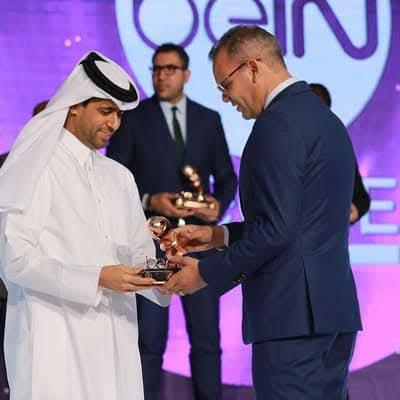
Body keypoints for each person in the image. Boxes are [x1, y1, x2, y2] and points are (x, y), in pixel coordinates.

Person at [162, 26, 362, 400]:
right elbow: (299, 221)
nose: (225, 98)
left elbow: (276, 230)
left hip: (291, 318)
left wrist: (204, 272)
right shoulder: (326, 120)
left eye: (226, 85)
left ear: (253, 68)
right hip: (334, 312)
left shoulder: (275, 125)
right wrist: (218, 235)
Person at [0, 51, 169, 400]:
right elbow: (14, 261)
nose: (114, 124)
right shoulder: (35, 167)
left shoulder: (119, 177)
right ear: (75, 105)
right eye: (106, 111)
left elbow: (138, 256)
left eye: (119, 115)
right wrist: (96, 278)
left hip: (115, 341)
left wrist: (168, 274)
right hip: (53, 340)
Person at [107, 43, 237, 400]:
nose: (161, 76)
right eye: (156, 69)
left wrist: (217, 205)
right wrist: (150, 200)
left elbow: (227, 177)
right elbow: (112, 177)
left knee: (207, 339)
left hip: (198, 243)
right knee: (149, 340)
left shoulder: (208, 119)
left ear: (186, 74)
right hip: (149, 243)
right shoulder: (133, 119)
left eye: (170, 69)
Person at [309, 83, 370, 224]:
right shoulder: (284, 146)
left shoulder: (338, 149)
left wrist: (351, 212)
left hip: (326, 234)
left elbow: (361, 199)